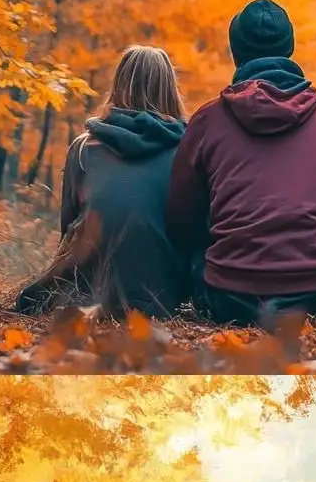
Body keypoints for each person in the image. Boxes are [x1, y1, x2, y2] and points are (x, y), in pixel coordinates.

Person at [166, 0, 316, 325]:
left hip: (231, 298)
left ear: (235, 53)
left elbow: (180, 222)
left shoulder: (206, 122)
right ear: (290, 48)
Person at [13, 47, 193, 317]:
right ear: (170, 89)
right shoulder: (186, 152)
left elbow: (70, 229)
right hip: (160, 300)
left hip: (87, 294)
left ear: (118, 85)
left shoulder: (85, 148)